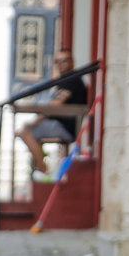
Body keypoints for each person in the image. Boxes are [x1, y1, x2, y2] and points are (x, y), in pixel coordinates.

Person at [18, 50, 88, 183]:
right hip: (58, 124)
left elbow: (55, 105)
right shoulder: (63, 80)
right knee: (25, 132)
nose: (60, 64)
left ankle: (44, 173)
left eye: (64, 60)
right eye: (57, 61)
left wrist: (34, 122)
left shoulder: (72, 79)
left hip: (66, 127)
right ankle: (42, 170)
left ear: (72, 62)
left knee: (25, 131)